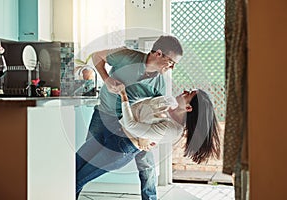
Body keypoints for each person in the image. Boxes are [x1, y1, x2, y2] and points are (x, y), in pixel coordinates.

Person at [76, 35, 183, 200]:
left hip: (130, 124)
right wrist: (107, 79)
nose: (172, 67)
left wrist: (153, 138)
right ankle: (69, 193)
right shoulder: (127, 56)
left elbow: (156, 111)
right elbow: (97, 56)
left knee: (146, 165)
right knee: (84, 161)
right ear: (159, 54)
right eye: (171, 62)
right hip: (104, 114)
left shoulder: (160, 83)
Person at [76, 89, 221, 198]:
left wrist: (124, 96)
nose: (184, 91)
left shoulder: (172, 129)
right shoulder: (168, 107)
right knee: (73, 170)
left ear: (189, 108)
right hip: (111, 130)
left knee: (78, 180)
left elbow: (132, 124)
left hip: (120, 147)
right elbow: (141, 107)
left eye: (188, 94)